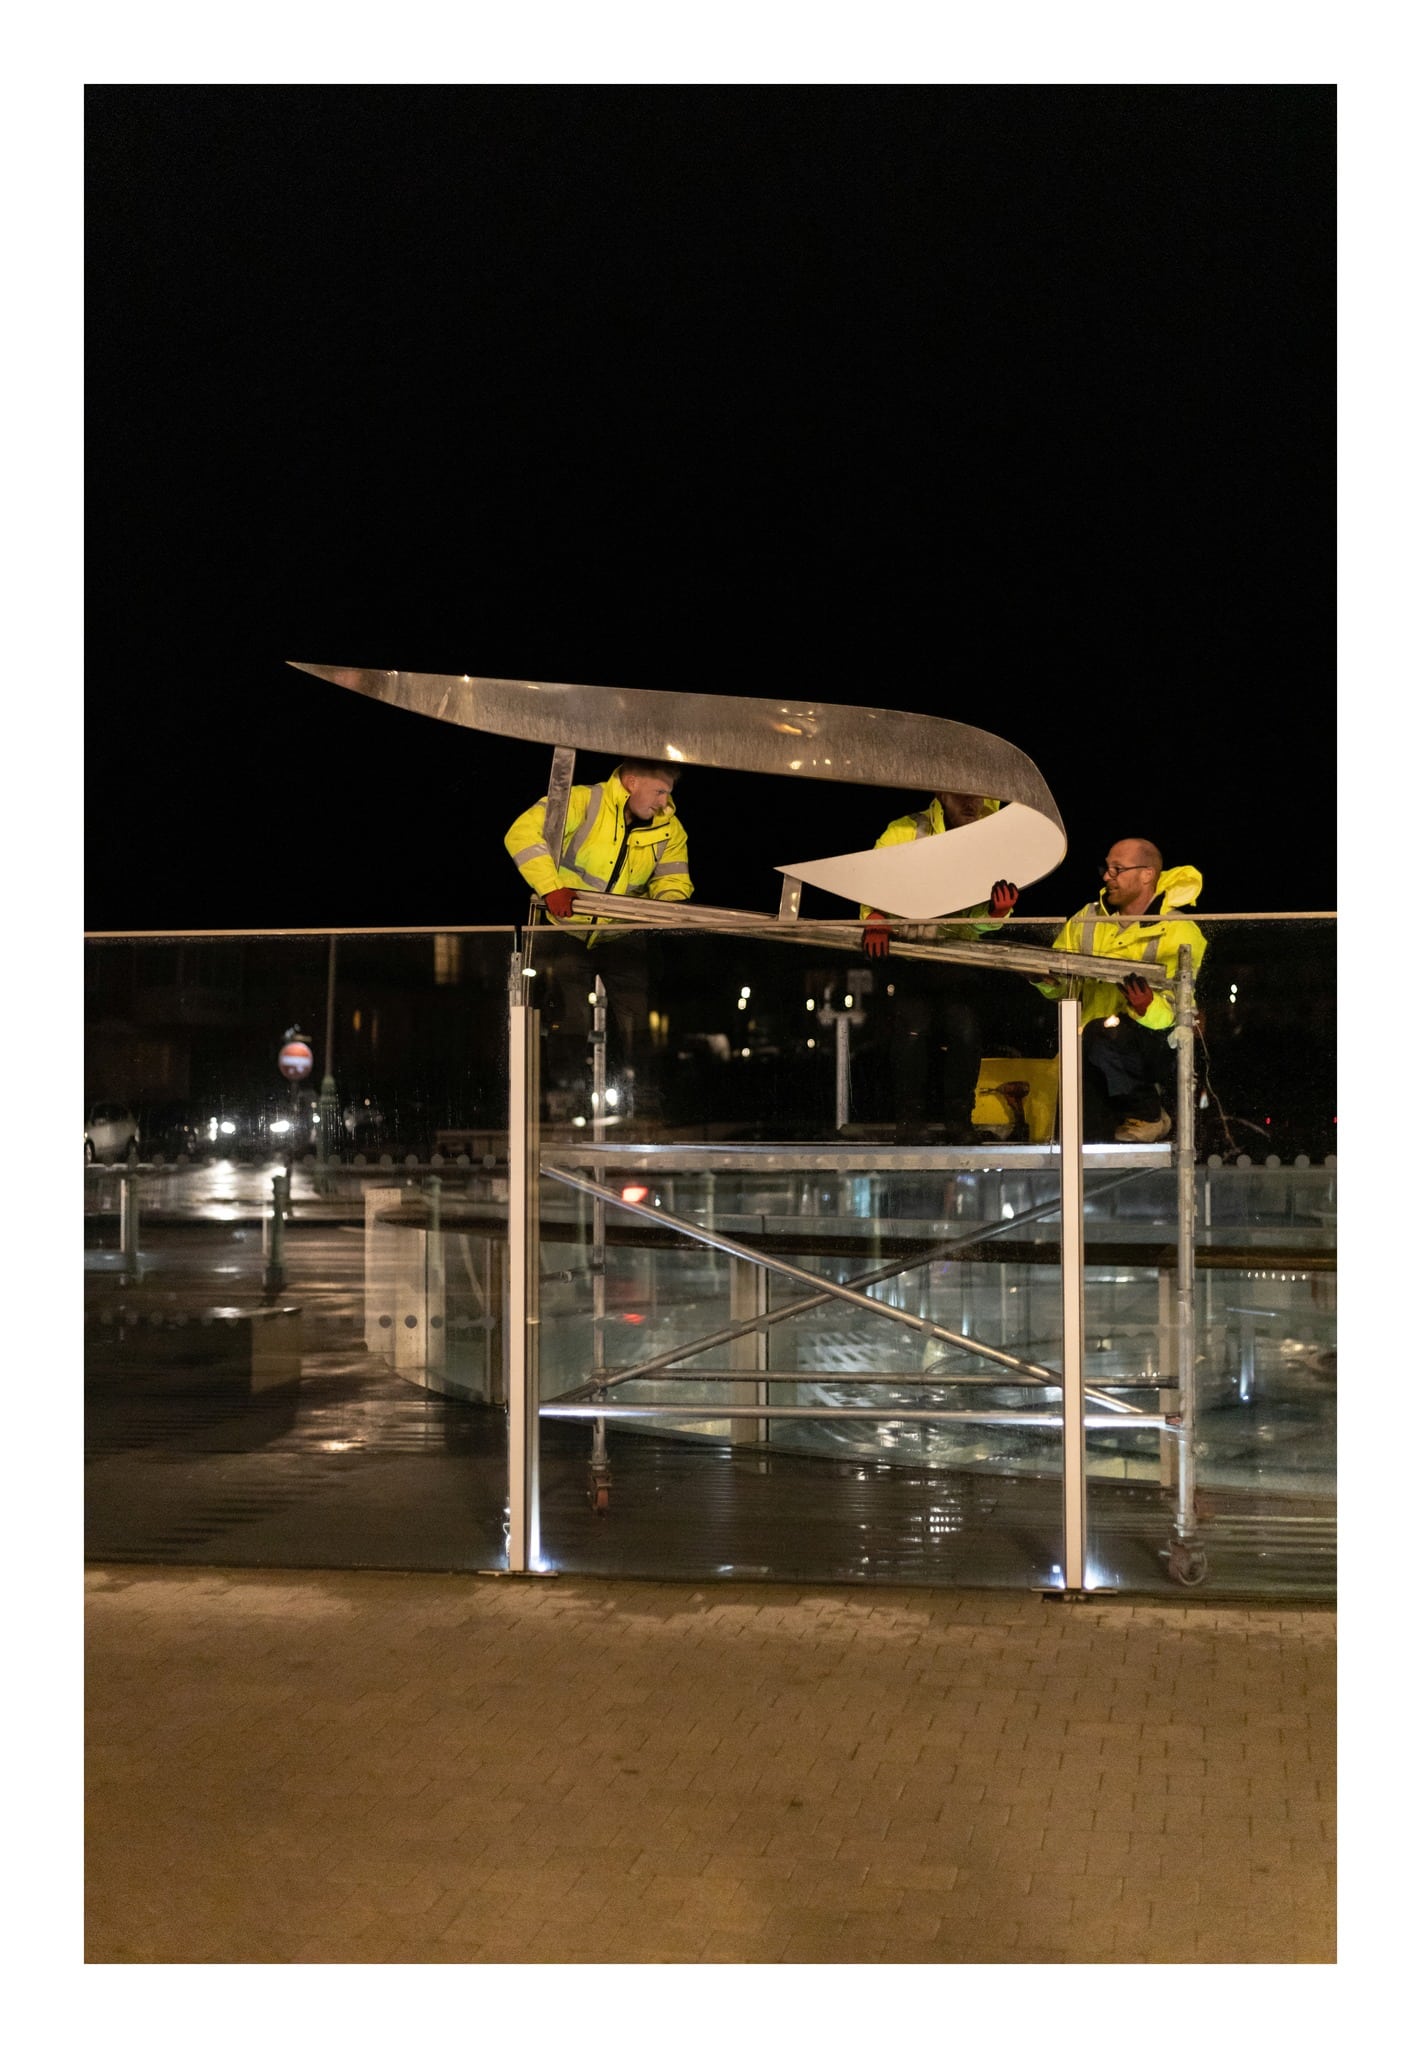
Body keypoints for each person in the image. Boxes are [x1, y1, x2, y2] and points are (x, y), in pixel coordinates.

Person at [504, 759, 692, 1114]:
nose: (664, 802)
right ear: (632, 782)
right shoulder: (583, 802)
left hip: (621, 933)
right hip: (566, 927)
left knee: (637, 1018)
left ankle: (643, 1099)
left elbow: (674, 883)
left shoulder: (670, 829)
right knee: (569, 1017)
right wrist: (550, 887)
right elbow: (521, 835)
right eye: (660, 791)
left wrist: (663, 911)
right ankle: (563, 1099)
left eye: (668, 794)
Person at [857, 790, 1019, 1141]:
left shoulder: (993, 839)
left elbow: (978, 922)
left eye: (978, 794)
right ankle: (909, 1123)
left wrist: (995, 913)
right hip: (912, 953)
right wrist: (875, 915)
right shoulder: (906, 829)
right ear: (941, 794)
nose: (970, 802)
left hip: (958, 956)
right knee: (911, 1030)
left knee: (965, 1031)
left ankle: (959, 1122)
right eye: (960, 794)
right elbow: (872, 877)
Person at [1035, 838, 1207, 1142]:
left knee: (1103, 1033)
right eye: (1107, 868)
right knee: (1086, 1143)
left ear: (1147, 875)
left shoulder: (1181, 930)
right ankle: (1136, 1117)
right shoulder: (1085, 920)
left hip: (1147, 1048)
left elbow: (1180, 1009)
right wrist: (1042, 978)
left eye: (1117, 869)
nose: (1106, 877)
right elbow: (1062, 985)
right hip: (1089, 1050)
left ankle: (1148, 1112)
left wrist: (1147, 1007)